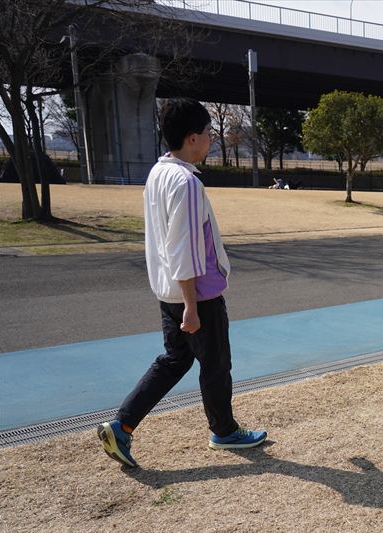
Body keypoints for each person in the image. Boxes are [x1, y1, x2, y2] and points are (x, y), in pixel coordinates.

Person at [96, 98, 266, 467]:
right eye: (208, 132)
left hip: (169, 290)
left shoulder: (158, 174)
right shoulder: (186, 182)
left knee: (175, 360)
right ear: (192, 138)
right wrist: (191, 306)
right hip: (197, 294)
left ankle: (121, 426)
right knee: (216, 364)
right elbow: (184, 247)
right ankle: (224, 431)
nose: (210, 139)